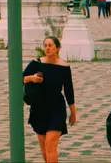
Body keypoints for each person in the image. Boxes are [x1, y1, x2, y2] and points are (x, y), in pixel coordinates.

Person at [23, 35, 76, 163]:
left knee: (50, 144)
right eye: (45, 45)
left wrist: (73, 112)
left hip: (57, 108)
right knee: (44, 148)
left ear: (57, 48)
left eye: (50, 45)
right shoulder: (36, 64)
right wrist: (32, 78)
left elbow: (69, 91)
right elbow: (20, 78)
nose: (47, 48)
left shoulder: (64, 67)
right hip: (39, 108)